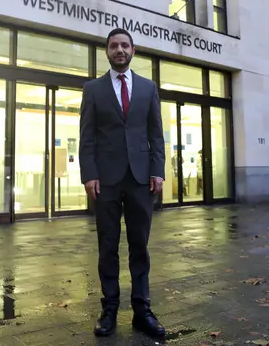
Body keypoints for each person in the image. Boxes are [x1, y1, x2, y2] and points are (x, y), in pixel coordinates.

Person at [78, 28, 166, 338]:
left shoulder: (147, 88)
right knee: (108, 246)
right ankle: (109, 309)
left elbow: (156, 134)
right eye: (114, 45)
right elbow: (87, 137)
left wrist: (158, 171)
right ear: (107, 51)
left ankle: (142, 310)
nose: (119, 49)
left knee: (139, 246)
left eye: (124, 45)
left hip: (142, 179)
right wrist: (88, 173)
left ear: (133, 50)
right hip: (106, 182)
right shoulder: (93, 89)